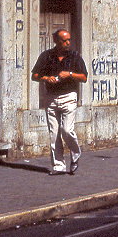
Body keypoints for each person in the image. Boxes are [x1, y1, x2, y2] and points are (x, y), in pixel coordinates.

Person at [30, 29, 88, 175]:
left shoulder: (75, 56)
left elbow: (84, 77)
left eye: (69, 39)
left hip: (69, 96)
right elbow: (35, 75)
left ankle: (75, 154)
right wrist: (45, 78)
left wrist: (69, 74)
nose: (68, 43)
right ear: (56, 41)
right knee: (54, 133)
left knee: (67, 130)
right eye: (64, 40)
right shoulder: (46, 56)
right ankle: (58, 166)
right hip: (51, 97)